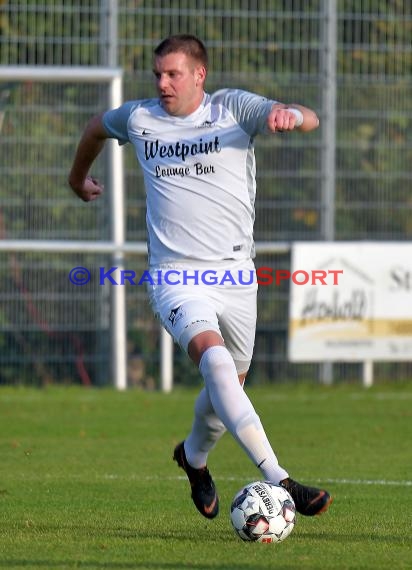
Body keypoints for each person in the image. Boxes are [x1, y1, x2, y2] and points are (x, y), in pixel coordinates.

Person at [68, 34, 333, 519]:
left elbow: (310, 115)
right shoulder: (140, 118)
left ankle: (193, 458)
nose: (162, 83)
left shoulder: (232, 108)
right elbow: (93, 129)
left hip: (236, 276)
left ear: (198, 75)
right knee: (214, 363)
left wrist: (291, 116)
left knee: (228, 386)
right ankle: (281, 479)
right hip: (175, 277)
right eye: (157, 74)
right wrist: (76, 180)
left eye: (172, 74)